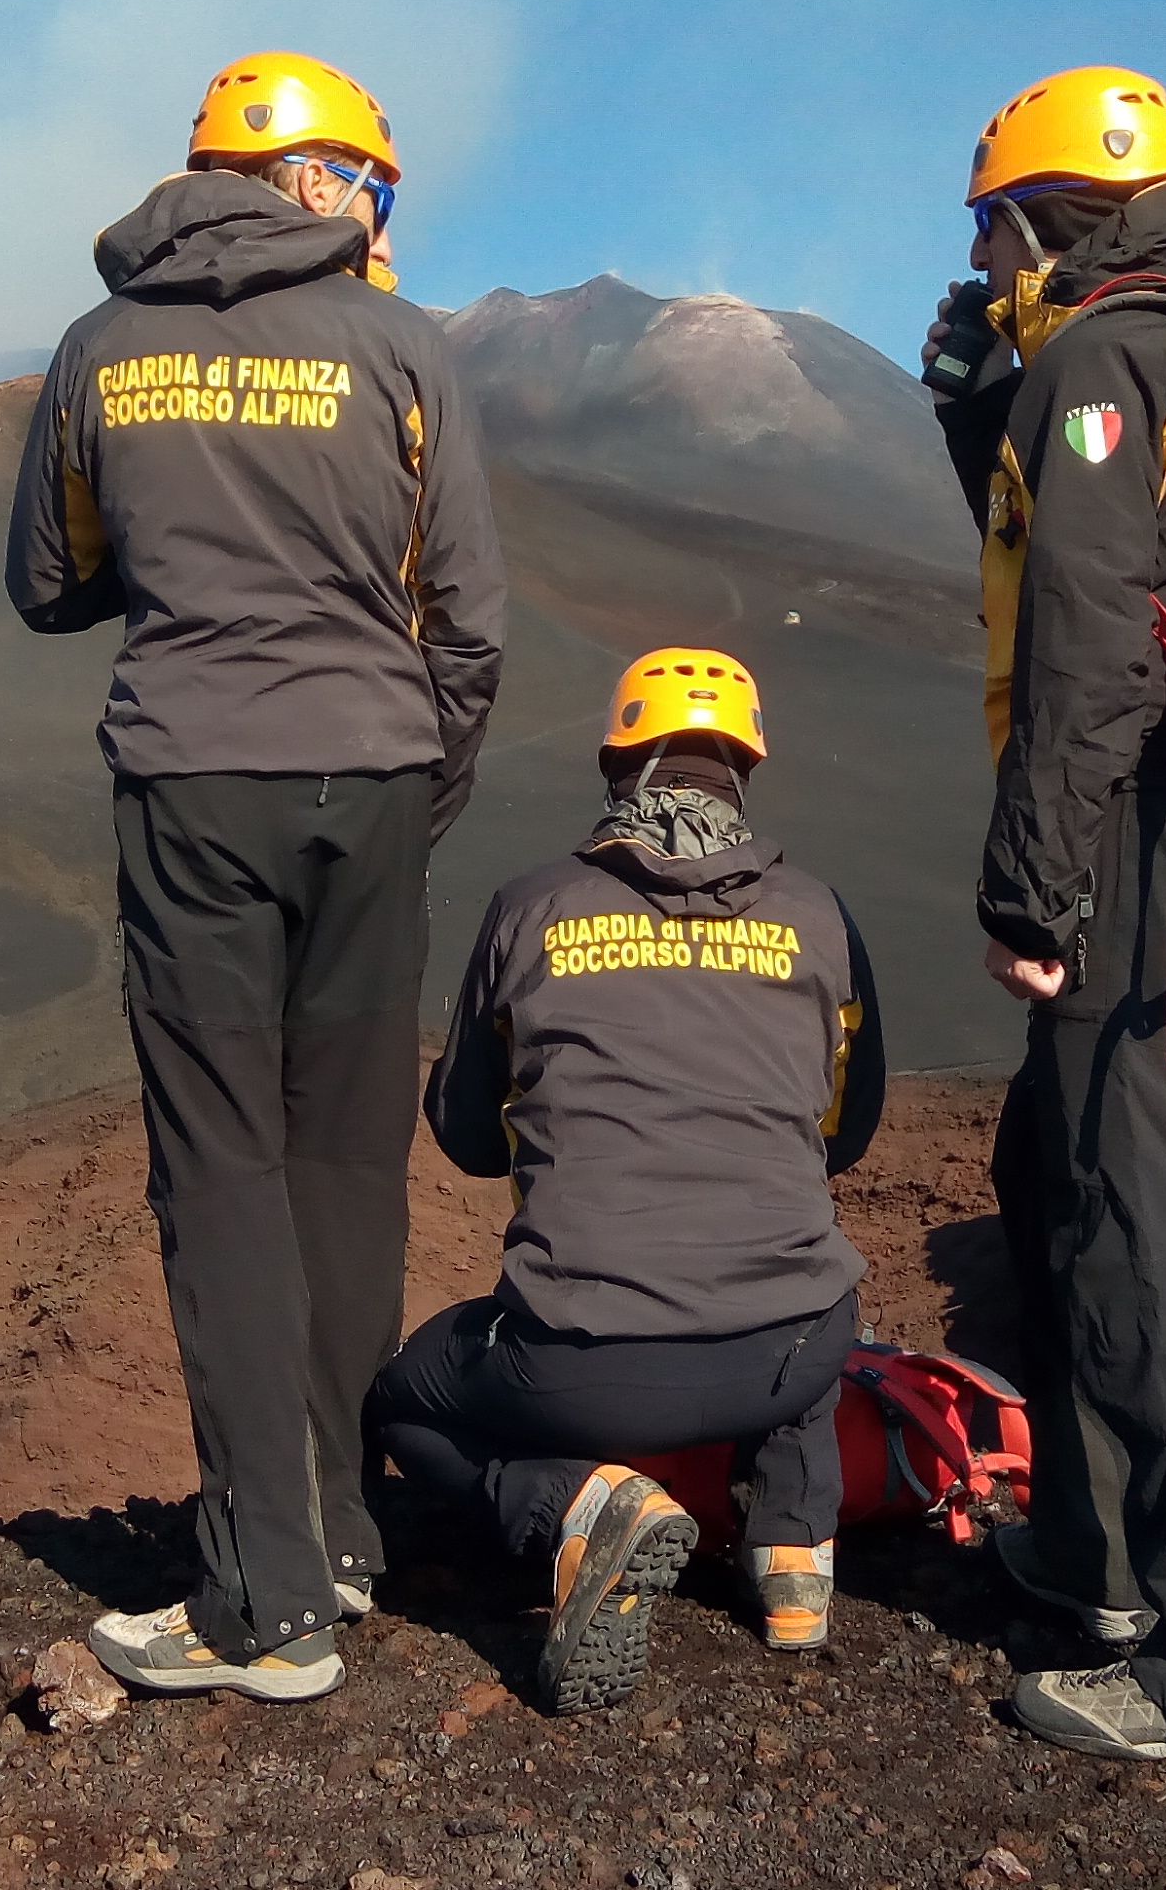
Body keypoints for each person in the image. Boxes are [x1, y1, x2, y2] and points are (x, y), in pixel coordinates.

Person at [6, 54, 508, 1701]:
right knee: (347, 1158)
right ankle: (346, 1542)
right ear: (310, 178)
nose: (379, 214)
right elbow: (471, 615)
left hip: (191, 783)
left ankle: (264, 1587)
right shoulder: (399, 344)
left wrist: (176, 554)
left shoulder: (99, 346)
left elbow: (48, 574)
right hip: (367, 782)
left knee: (219, 1166)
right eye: (373, 181)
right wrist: (414, 789)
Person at [922, 68, 1166, 1769]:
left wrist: (1033, 875)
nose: (990, 255)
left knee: (1140, 1228)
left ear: (1039, 215)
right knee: (1057, 1180)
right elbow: (1097, 545)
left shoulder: (1104, 358)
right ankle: (1094, 1560)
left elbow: (1086, 632)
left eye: (995, 226)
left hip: (1140, 831)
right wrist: (973, 404)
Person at [369, 648, 884, 1712]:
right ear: (743, 767)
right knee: (800, 1251)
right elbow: (844, 1135)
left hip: (580, 1369)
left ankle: (578, 1504)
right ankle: (793, 1568)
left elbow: (466, 1133)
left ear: (619, 761)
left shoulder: (531, 908)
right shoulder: (821, 916)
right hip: (791, 1355)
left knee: (405, 1403)